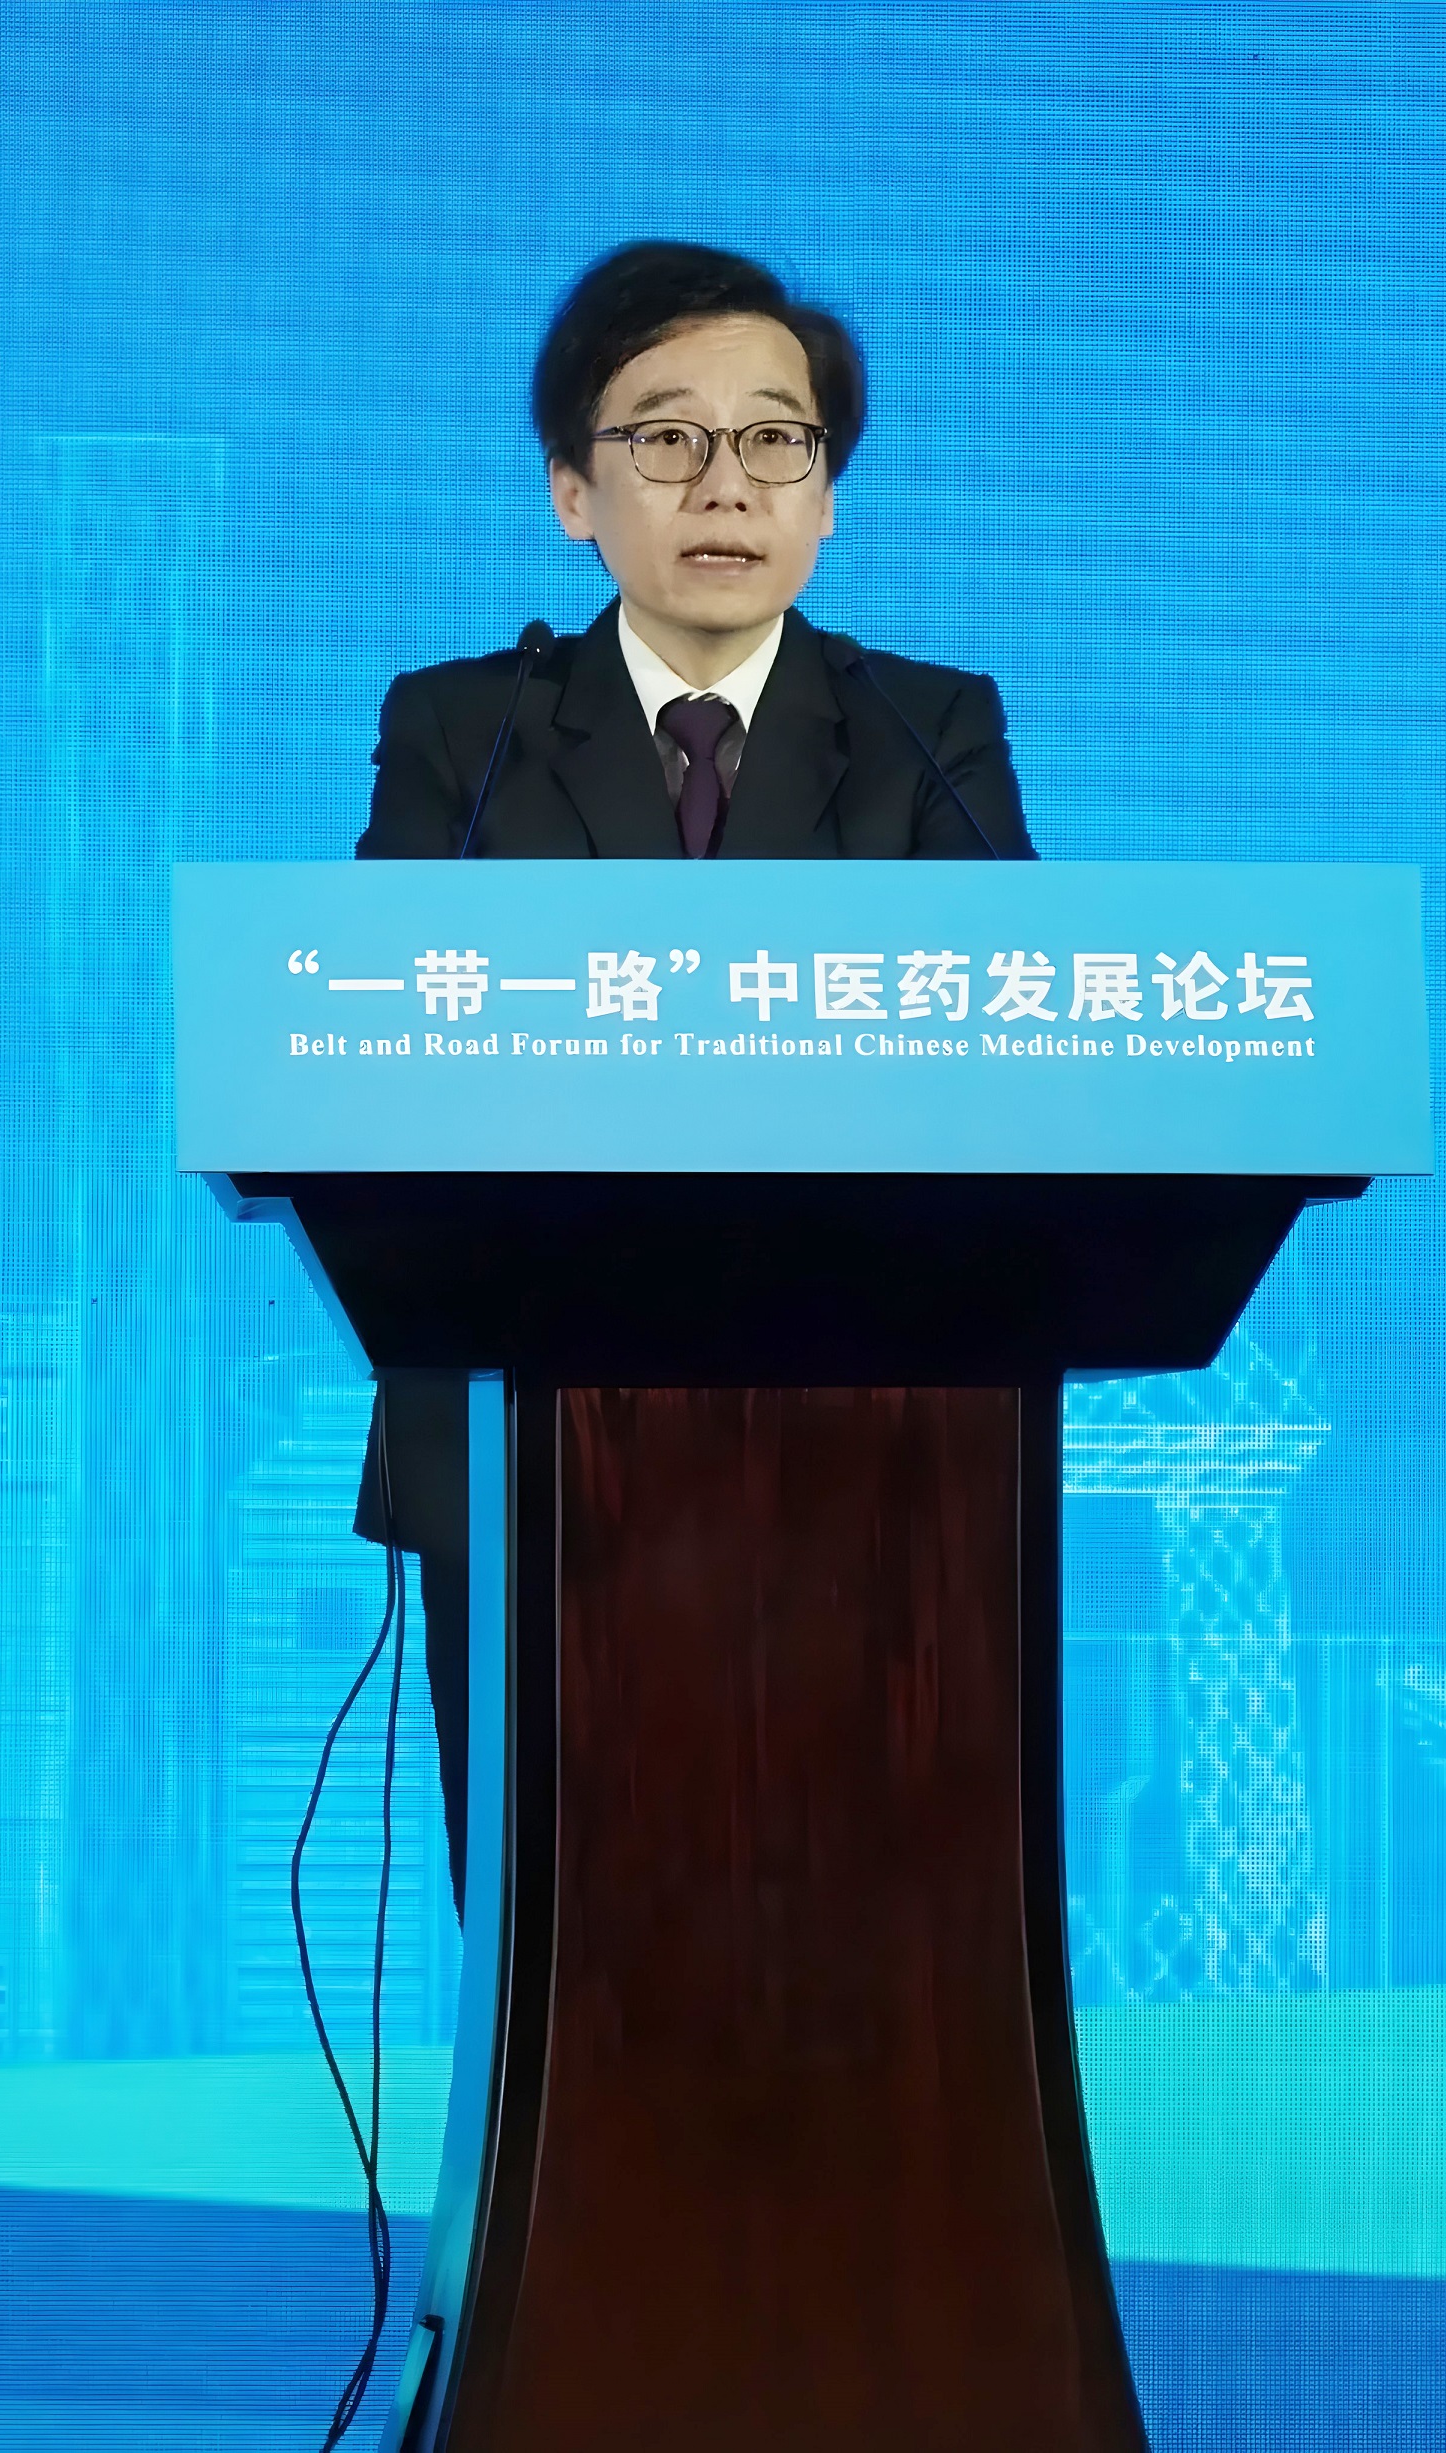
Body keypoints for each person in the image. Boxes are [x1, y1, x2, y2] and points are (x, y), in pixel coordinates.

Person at [353, 239, 1035, 1911]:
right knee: (552, 1931)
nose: (725, 484)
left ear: (828, 498)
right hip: (525, 1436)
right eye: (665, 437)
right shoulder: (466, 730)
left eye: (776, 440)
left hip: (871, 1437)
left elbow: (1015, 1061)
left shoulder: (927, 730)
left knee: (859, 1934)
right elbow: (369, 1050)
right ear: (572, 492)